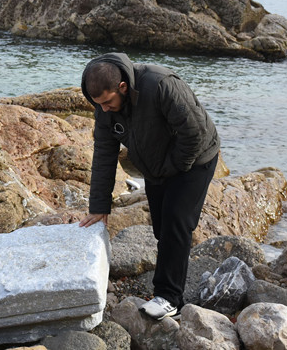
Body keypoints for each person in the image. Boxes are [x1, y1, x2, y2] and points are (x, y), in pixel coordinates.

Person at [78, 52, 220, 320]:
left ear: (122, 87)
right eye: (98, 105)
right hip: (157, 164)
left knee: (176, 221)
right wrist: (99, 206)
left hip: (196, 157)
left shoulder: (161, 85)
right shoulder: (104, 107)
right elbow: (104, 155)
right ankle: (173, 281)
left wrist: (171, 168)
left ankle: (169, 298)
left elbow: (195, 134)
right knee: (161, 228)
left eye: (107, 102)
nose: (104, 109)